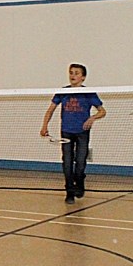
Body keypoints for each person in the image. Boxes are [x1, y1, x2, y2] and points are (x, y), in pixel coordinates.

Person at [40, 63, 107, 204]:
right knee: (67, 162)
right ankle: (69, 191)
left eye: (77, 73)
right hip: (66, 132)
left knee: (81, 162)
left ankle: (80, 181)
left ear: (83, 77)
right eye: (71, 73)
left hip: (82, 132)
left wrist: (92, 118)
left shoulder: (89, 93)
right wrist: (45, 125)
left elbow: (102, 111)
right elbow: (50, 109)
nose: (73, 76)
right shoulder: (62, 92)